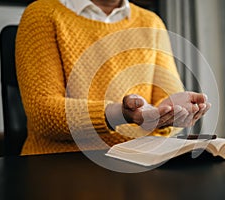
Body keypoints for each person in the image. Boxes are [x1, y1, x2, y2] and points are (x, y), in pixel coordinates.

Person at [15, 0, 211, 155]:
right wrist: (121, 113)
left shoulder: (151, 22)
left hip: (139, 162)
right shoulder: (42, 14)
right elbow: (42, 112)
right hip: (60, 165)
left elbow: (165, 99)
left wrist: (168, 114)